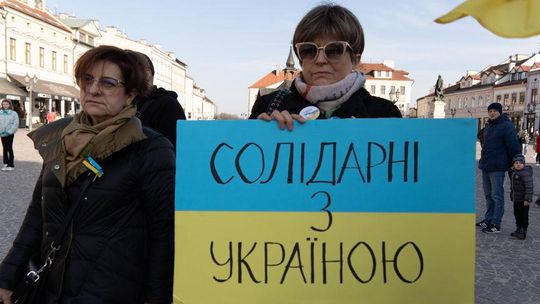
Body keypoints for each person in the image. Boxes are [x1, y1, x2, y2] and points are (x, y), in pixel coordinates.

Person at [0, 45, 175, 303]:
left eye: (107, 82)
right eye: (87, 79)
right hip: (51, 289)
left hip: (111, 292)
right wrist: (7, 277)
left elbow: (164, 237)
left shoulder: (150, 149)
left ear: (130, 95)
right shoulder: (59, 139)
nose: (93, 89)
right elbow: (37, 215)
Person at [249, 4, 401, 129]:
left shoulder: (385, 113)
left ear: (355, 59)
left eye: (334, 50)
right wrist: (263, 134)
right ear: (301, 59)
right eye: (308, 50)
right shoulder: (268, 106)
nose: (320, 60)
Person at [477, 102, 521, 233]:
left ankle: (496, 223)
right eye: (490, 111)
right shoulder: (489, 126)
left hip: (498, 166)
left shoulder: (506, 126)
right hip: (486, 165)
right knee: (488, 195)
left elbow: (514, 146)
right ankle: (488, 219)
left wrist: (516, 161)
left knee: (497, 195)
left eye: (495, 111)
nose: (492, 113)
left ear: (500, 112)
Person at [128, 50, 186, 148]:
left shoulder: (167, 105)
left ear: (147, 73)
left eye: (128, 71)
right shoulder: (121, 103)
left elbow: (177, 148)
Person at [508, 154, 532, 240]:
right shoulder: (514, 172)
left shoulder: (525, 174)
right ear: (513, 164)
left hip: (524, 200)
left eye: (520, 163)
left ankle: (523, 230)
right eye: (516, 163)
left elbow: (529, 187)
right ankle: (518, 228)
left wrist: (527, 199)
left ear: (524, 164)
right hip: (516, 199)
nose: (518, 164)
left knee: (523, 215)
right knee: (517, 214)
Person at [0, 99, 19, 171]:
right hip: (2, 133)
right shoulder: (0, 113)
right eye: (3, 104)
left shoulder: (14, 113)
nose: (5, 106)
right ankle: (5, 163)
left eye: (6, 104)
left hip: (9, 133)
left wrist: (9, 132)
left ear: (10, 105)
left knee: (9, 148)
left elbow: (15, 124)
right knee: (4, 148)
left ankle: (11, 165)